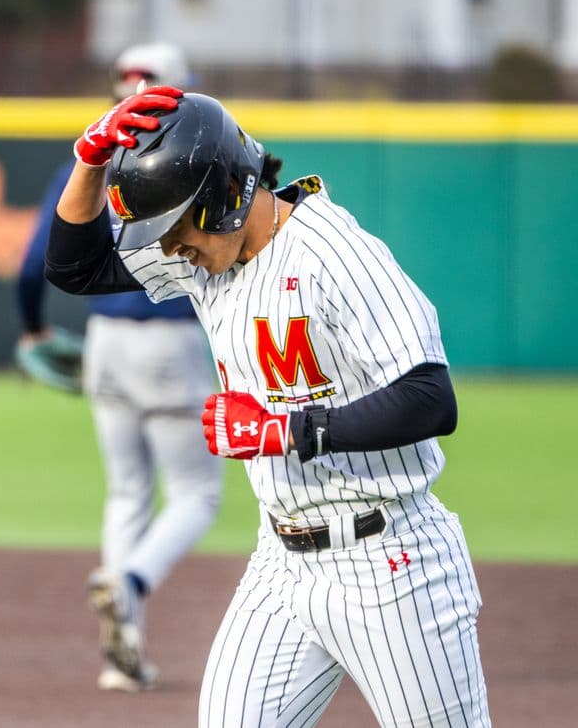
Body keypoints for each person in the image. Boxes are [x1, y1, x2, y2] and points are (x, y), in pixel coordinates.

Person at [44, 88, 490, 727]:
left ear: (226, 197)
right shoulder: (205, 261)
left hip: (391, 561)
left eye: (176, 229)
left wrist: (289, 428)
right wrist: (89, 162)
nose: (170, 249)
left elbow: (429, 398)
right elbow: (76, 268)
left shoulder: (335, 255)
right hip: (280, 564)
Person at [15, 44, 223, 693]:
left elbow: (34, 263)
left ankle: (119, 654)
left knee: (127, 491)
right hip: (171, 340)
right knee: (196, 494)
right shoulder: (198, 156)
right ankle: (130, 583)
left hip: (105, 336)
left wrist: (32, 327)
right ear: (177, 89)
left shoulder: (92, 157)